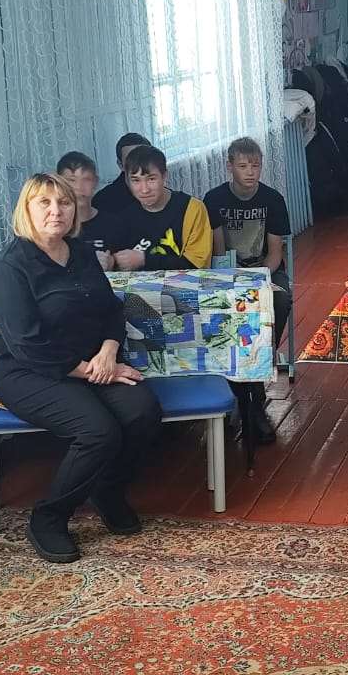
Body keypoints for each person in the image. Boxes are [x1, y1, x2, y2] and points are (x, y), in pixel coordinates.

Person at [0, 173, 162, 563]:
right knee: (97, 431)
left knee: (143, 411)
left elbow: (111, 309)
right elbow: (27, 344)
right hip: (27, 371)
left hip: (93, 361)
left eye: (63, 202)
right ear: (26, 210)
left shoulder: (79, 253)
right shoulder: (10, 268)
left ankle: (107, 491)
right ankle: (48, 518)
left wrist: (109, 351)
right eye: (44, 203)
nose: (56, 211)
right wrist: (95, 371)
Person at [203, 136, 292, 445]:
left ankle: (258, 370)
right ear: (230, 167)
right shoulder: (214, 199)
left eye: (255, 165)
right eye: (243, 166)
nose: (250, 172)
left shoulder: (273, 199)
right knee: (219, 309)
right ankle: (235, 388)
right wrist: (234, 282)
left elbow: (275, 253)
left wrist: (257, 280)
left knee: (280, 299)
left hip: (264, 270)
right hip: (227, 272)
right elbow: (218, 252)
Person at [113, 145, 212, 271]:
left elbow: (197, 265)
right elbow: (117, 264)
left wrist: (144, 260)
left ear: (164, 176)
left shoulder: (192, 209)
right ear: (127, 181)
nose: (144, 189)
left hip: (183, 282)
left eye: (151, 179)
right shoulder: (123, 217)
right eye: (136, 180)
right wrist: (109, 262)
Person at [57, 151, 126, 269]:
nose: (79, 187)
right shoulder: (55, 225)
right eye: (72, 180)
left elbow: (128, 267)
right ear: (59, 183)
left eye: (87, 179)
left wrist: (113, 263)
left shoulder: (114, 225)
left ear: (96, 182)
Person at [92, 131, 150, 211]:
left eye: (142, 157)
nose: (138, 164)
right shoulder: (103, 201)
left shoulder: (161, 190)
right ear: (120, 165)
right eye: (130, 160)